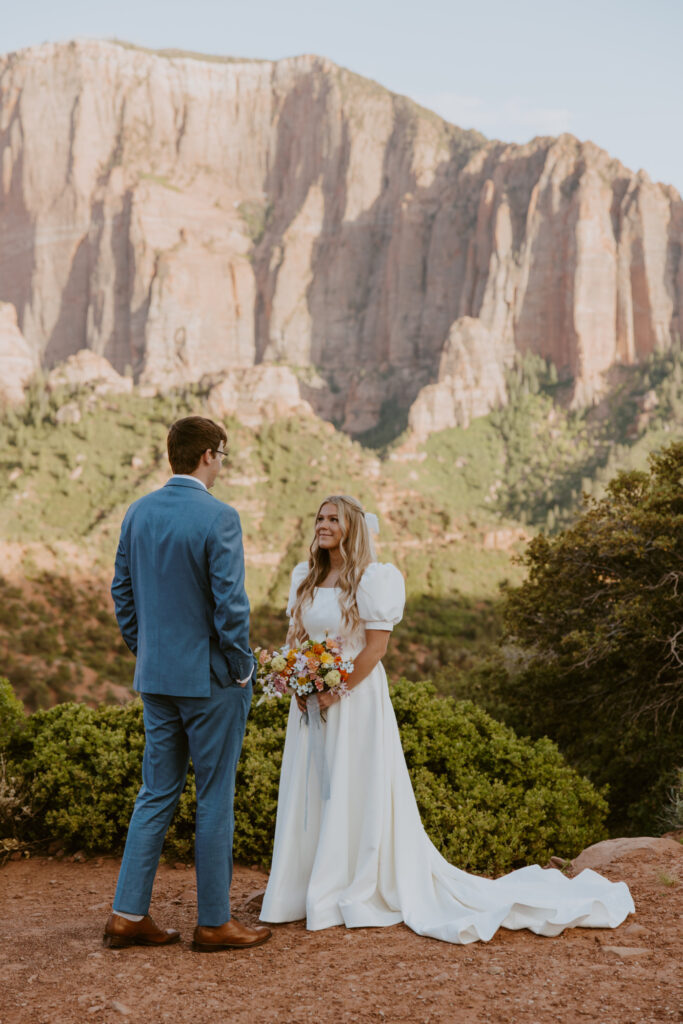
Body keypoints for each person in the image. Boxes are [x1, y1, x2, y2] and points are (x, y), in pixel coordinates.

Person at [260, 494, 634, 943]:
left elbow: (376, 649)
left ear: (352, 527)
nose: (323, 524)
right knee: (310, 789)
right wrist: (298, 683)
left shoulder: (372, 579)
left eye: (333, 518)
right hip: (309, 705)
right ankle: (301, 887)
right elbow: (295, 638)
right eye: (319, 517)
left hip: (353, 702)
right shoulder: (305, 577)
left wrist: (333, 692)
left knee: (351, 786)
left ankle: (346, 884)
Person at [105, 416, 271, 952]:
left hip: (156, 678)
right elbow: (231, 608)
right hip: (212, 683)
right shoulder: (219, 517)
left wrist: (146, 650)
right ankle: (215, 922)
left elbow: (122, 593)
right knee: (215, 797)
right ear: (207, 455)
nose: (222, 464)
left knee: (156, 792)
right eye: (222, 455)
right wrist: (243, 667)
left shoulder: (138, 512)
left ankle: (128, 915)